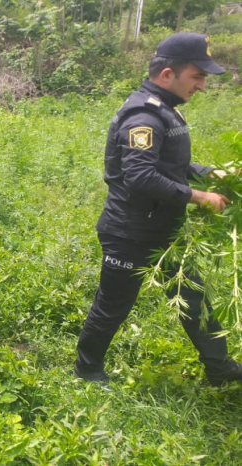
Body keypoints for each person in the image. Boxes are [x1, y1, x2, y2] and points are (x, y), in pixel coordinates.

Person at [73, 33, 242, 386]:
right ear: (168, 74)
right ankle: (87, 369)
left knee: (195, 300)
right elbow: (140, 176)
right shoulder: (144, 117)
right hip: (129, 232)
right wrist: (199, 196)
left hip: (165, 228)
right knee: (113, 306)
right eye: (197, 77)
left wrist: (207, 173)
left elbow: (168, 160)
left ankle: (220, 368)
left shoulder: (165, 108)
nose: (202, 86)